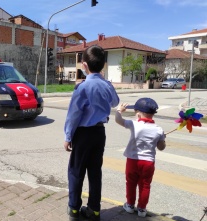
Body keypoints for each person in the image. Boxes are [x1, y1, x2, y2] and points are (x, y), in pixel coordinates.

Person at [64, 45, 119, 221]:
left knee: (76, 171)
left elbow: (73, 115)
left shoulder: (83, 87)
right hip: (99, 133)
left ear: (84, 65)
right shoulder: (107, 85)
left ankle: (74, 208)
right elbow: (115, 102)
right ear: (103, 65)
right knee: (95, 172)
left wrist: (68, 136)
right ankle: (94, 210)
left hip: (83, 134)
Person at [115, 98, 166, 217]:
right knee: (145, 185)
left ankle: (130, 205)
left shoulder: (134, 124)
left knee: (131, 183)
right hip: (148, 162)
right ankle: (142, 209)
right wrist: (162, 138)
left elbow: (118, 120)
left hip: (133, 160)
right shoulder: (159, 130)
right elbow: (161, 147)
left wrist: (119, 110)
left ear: (138, 114)